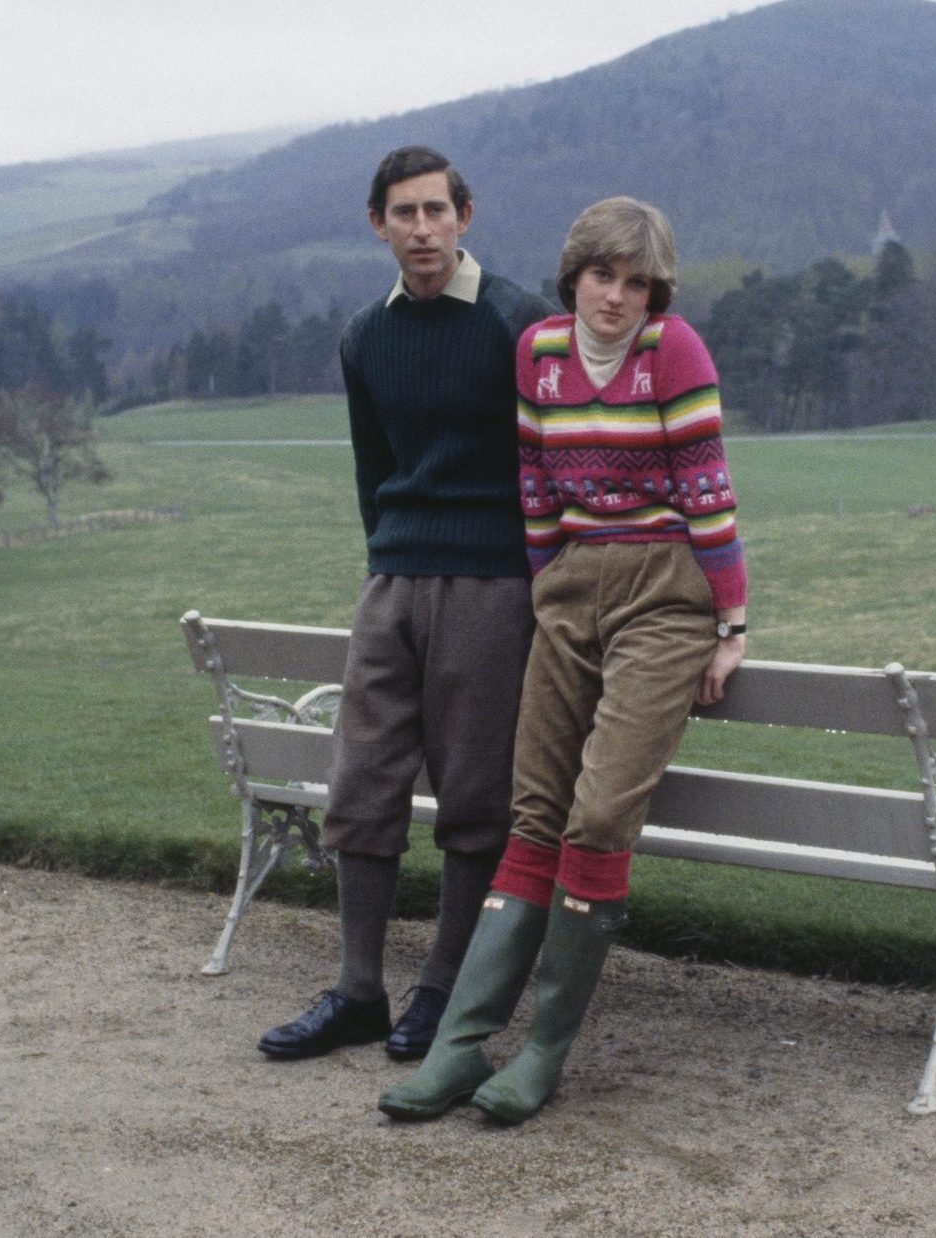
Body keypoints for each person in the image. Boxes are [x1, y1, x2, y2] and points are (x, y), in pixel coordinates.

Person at [381, 195, 746, 1124]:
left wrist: (729, 622)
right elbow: (536, 483)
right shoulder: (539, 353)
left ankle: (541, 1052)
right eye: (601, 276)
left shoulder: (673, 352)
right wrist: (552, 587)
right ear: (572, 276)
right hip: (571, 587)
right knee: (532, 813)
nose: (617, 298)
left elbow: (707, 491)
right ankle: (460, 1049)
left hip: (665, 596)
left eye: (636, 282)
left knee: (595, 817)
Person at [257, 146, 554, 1062]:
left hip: (494, 586)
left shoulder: (517, 324)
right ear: (377, 224)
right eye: (402, 214)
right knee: (362, 781)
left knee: (474, 794)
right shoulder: (364, 337)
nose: (420, 229)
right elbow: (371, 468)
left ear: (465, 215)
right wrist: (389, 561)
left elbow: (552, 466)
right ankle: (357, 991)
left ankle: (443, 989)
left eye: (435, 211)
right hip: (391, 581)